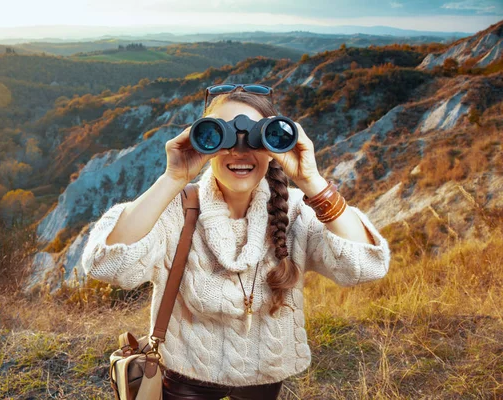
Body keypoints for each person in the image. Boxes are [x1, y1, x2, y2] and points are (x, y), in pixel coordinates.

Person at [80, 86, 391, 400]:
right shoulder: (177, 209)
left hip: (264, 368)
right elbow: (108, 266)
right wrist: (173, 178)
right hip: (188, 370)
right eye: (220, 136)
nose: (240, 151)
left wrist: (311, 179)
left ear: (275, 145)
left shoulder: (295, 210)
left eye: (256, 138)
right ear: (201, 140)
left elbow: (364, 268)